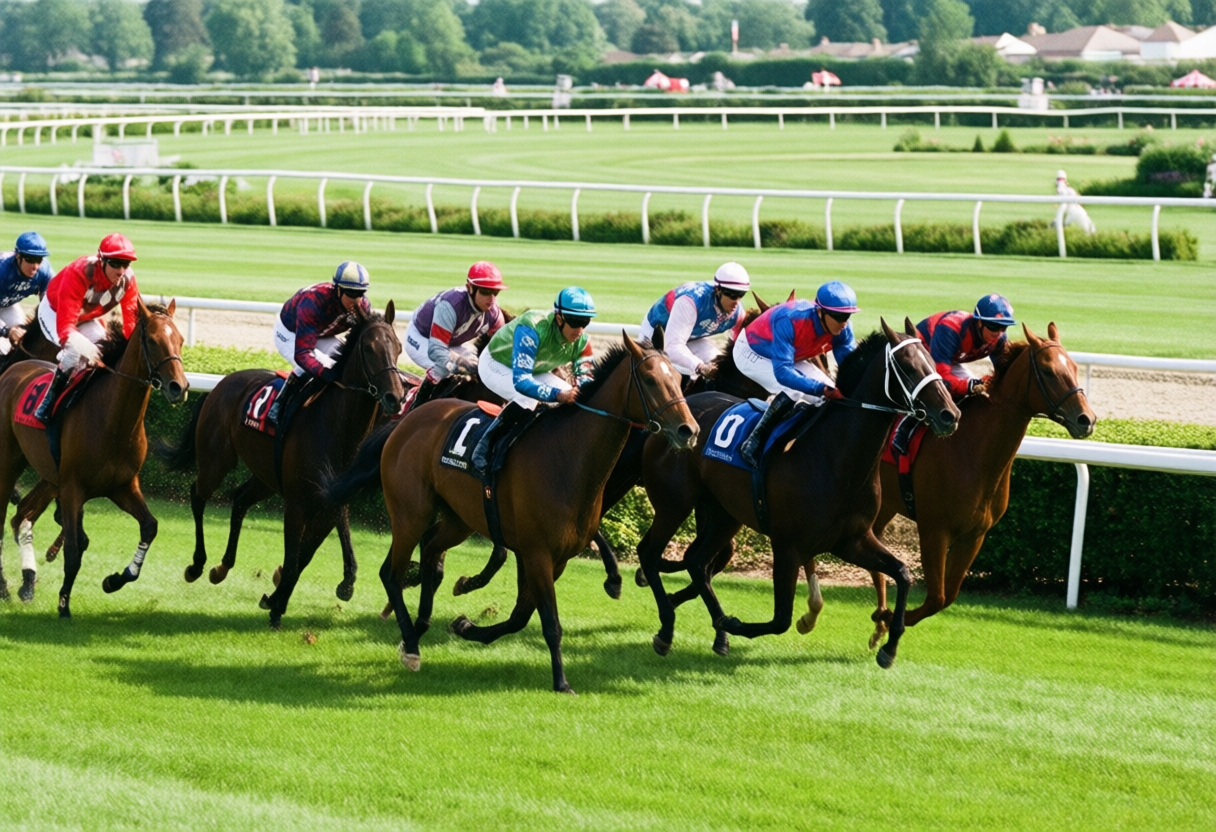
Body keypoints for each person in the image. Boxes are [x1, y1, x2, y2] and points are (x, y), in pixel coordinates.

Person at [471, 286, 596, 474]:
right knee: (527, 398)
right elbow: (521, 382)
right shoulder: (532, 328)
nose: (579, 330)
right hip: (495, 365)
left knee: (573, 399)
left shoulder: (582, 342)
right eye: (575, 322)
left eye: (585, 322)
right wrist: (558, 395)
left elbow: (587, 385)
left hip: (535, 369)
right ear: (559, 318)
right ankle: (485, 446)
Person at [734, 280, 859, 467]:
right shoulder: (790, 320)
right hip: (751, 351)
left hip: (790, 356)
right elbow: (783, 372)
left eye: (848, 316)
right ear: (820, 312)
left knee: (828, 398)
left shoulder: (843, 329)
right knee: (793, 390)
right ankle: (753, 442)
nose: (844, 322)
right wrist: (819, 388)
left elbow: (850, 367)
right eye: (838, 316)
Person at [34, 233, 142, 424]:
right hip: (55, 313)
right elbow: (66, 327)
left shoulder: (128, 281)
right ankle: (47, 403)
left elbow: (130, 327)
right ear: (102, 260)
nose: (121, 271)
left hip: (86, 318)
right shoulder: (79, 272)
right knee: (75, 353)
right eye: (116, 264)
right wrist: (85, 349)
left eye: (126, 264)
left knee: (102, 352)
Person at [891, 293, 1016, 454]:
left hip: (950, 358)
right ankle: (903, 430)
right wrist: (970, 386)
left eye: (1003, 327)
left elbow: (1003, 373)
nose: (998, 333)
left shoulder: (999, 338)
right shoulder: (951, 328)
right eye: (993, 326)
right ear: (978, 322)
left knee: (977, 394)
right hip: (922, 353)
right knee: (942, 391)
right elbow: (942, 377)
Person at [267, 261, 372, 426]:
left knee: (343, 361)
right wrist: (323, 372)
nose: (356, 300)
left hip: (321, 334)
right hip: (289, 332)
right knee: (310, 367)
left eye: (360, 293)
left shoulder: (362, 306)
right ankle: (279, 404)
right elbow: (302, 354)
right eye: (351, 293)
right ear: (338, 290)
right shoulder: (313, 302)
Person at [404, 261, 507, 412]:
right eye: (485, 292)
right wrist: (461, 363)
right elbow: (436, 351)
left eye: (495, 293)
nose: (491, 299)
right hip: (421, 338)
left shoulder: (494, 315)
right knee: (444, 368)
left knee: (476, 366)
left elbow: (500, 352)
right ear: (470, 288)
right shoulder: (451, 306)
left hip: (450, 342)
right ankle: (413, 409)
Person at [639, 261, 750, 380]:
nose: (737, 301)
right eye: (732, 295)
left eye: (741, 295)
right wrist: (700, 367)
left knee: (719, 368)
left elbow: (737, 351)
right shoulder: (691, 302)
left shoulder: (737, 314)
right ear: (718, 290)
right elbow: (672, 347)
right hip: (658, 333)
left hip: (694, 337)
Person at [0, 231, 54, 355]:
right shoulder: (2, 270)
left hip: (7, 305)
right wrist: (6, 331)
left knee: (21, 339)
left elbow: (50, 305)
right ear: (18, 256)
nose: (35, 266)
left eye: (39, 260)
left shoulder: (45, 272)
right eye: (30, 259)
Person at [1054, 169, 1096, 234]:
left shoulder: (1060, 188)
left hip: (1074, 211)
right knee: (1089, 230)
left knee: (1060, 225)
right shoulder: (1070, 189)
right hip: (1078, 210)